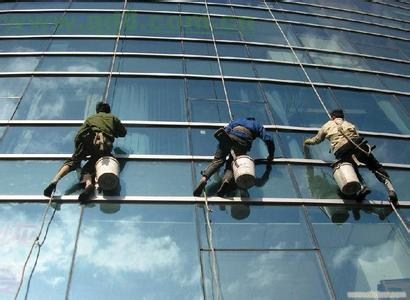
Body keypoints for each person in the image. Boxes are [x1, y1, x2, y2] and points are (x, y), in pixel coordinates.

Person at [303, 109, 398, 204]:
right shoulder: (349, 124)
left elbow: (317, 140)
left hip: (342, 150)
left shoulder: (327, 125)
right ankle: (391, 190)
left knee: (351, 168)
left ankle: (361, 187)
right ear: (342, 117)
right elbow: (356, 135)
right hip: (358, 144)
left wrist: (307, 141)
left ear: (332, 117)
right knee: (375, 166)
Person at [43, 102, 127, 202]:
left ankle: (55, 180)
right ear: (108, 110)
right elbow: (123, 132)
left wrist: (78, 150)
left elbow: (79, 134)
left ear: (98, 110)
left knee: (73, 162)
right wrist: (113, 130)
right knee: (94, 165)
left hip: (87, 139)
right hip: (104, 143)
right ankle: (88, 185)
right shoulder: (113, 118)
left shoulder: (91, 118)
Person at [193, 117, 275, 197]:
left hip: (229, 138)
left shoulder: (238, 120)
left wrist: (225, 140)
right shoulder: (257, 125)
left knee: (218, 160)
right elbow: (268, 139)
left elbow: (227, 130)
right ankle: (226, 181)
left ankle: (204, 178)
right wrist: (271, 155)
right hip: (243, 143)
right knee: (232, 165)